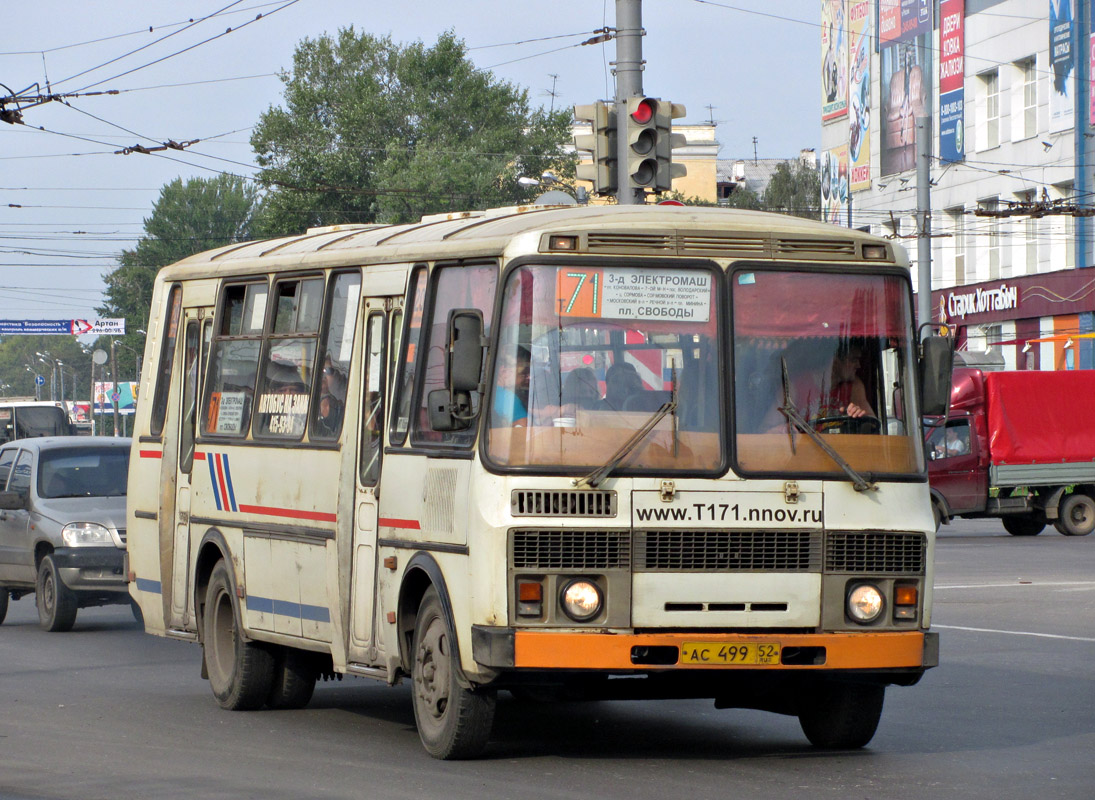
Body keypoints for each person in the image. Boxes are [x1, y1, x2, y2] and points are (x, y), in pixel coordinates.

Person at [761, 341, 873, 433]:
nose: (858, 365)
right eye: (853, 360)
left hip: (841, 455)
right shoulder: (795, 386)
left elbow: (873, 425)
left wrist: (860, 418)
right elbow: (765, 429)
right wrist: (783, 430)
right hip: (805, 455)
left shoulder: (854, 387)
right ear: (835, 360)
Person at [492, 346, 531, 427]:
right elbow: (523, 427)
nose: (528, 377)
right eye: (523, 373)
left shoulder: (488, 393)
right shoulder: (508, 398)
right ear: (504, 371)